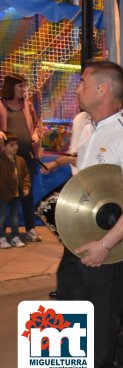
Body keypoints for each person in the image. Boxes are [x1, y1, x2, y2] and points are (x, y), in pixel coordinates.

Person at [58, 61, 123, 368]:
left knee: (97, 320)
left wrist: (106, 245)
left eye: (82, 82)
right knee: (68, 298)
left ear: (103, 89)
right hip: (81, 237)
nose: (77, 88)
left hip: (112, 243)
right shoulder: (88, 128)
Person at [42, 111, 93, 299]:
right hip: (77, 184)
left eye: (83, 84)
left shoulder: (107, 124)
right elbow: (74, 155)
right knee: (71, 243)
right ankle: (67, 290)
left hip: (90, 190)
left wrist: (57, 163)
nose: (79, 90)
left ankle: (72, 293)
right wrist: (56, 163)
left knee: (76, 246)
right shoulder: (81, 119)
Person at [0, 73, 42, 242]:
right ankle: (3, 232)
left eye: (25, 86)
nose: (24, 90)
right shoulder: (1, 105)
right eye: (20, 86)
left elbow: (38, 124)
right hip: (6, 159)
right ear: (11, 87)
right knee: (5, 193)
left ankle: (30, 229)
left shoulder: (28, 105)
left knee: (27, 192)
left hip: (27, 156)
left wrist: (35, 134)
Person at [0, 132, 30, 248]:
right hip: (3, 195)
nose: (15, 147)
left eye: (16, 144)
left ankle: (15, 236)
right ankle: (1, 237)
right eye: (11, 145)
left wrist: (26, 187)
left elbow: (26, 175)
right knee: (1, 217)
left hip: (17, 194)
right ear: (4, 146)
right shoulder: (1, 161)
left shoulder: (20, 160)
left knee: (15, 217)